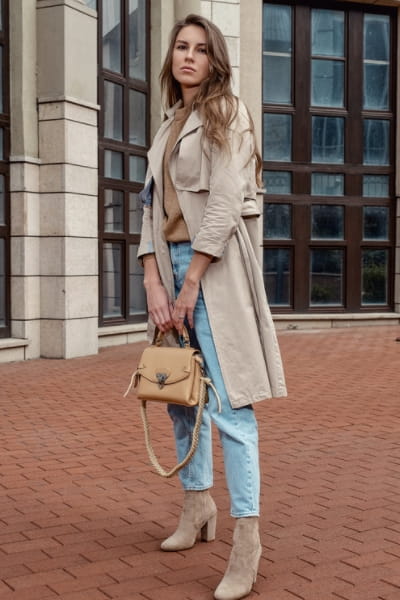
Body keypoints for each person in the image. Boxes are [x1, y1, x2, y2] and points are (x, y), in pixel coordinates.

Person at [137, 14, 287, 600]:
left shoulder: (228, 112)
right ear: (171, 57)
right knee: (179, 396)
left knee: (228, 405)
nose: (189, 56)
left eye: (201, 49)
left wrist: (191, 278)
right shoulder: (168, 123)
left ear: (215, 59)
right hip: (169, 266)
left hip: (215, 271)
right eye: (181, 47)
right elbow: (148, 207)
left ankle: (246, 540)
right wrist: (153, 277)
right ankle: (197, 506)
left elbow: (225, 199)